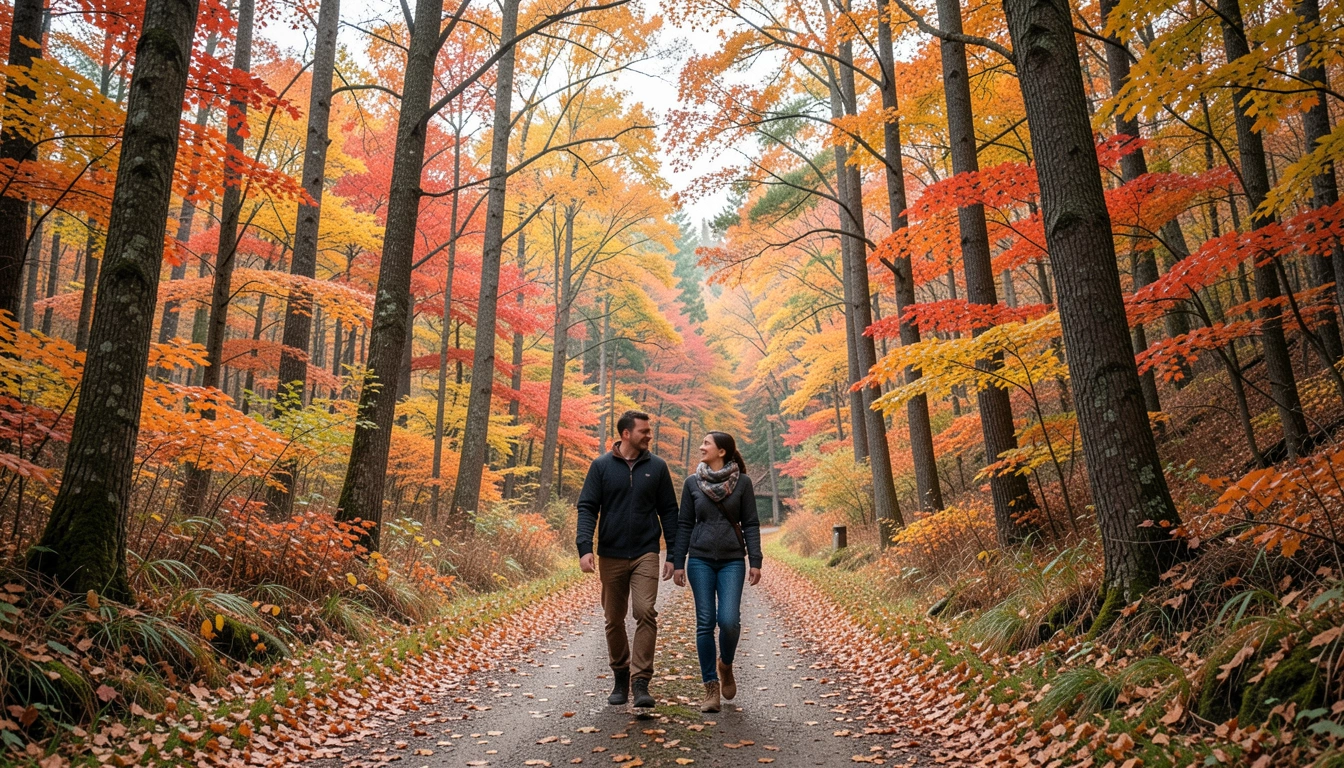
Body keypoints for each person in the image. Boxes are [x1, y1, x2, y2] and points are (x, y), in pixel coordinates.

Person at [576, 409, 678, 709]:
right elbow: (587, 508)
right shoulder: (601, 467)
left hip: (646, 551)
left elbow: (669, 512)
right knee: (613, 618)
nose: (649, 435)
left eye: (649, 430)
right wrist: (584, 547)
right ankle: (620, 675)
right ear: (626, 434)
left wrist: (672, 553)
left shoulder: (657, 467)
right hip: (611, 552)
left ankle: (641, 681)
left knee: (645, 611)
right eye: (644, 431)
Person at [669, 432, 763, 713]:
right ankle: (710, 686)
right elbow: (684, 523)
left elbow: (751, 524)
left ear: (721, 451)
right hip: (700, 560)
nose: (701, 447)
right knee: (705, 622)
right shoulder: (692, 483)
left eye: (706, 443)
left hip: (732, 560)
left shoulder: (742, 483)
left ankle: (726, 664)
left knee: (730, 620)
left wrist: (755, 560)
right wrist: (678, 561)